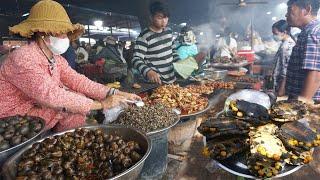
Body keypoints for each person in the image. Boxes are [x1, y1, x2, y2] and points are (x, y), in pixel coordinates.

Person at [0, 0, 140, 132]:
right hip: (13, 122)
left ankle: (65, 141)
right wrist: (102, 104)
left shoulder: (55, 58)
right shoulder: (23, 57)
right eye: (61, 32)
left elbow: (78, 81)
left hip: (37, 111)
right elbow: (52, 96)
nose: (66, 37)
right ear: (43, 33)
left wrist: (116, 93)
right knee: (73, 104)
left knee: (76, 99)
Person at [132, 1, 180, 84]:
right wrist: (148, 72)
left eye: (166, 17)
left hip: (172, 79)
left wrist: (179, 62)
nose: (164, 21)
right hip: (156, 83)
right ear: (151, 17)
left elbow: (173, 51)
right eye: (160, 18)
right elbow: (136, 59)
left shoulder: (169, 31)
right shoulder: (145, 36)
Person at [285, 0, 320, 103]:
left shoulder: (312, 33)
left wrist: (300, 107)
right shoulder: (308, 31)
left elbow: (315, 75)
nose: (286, 14)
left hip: (308, 104)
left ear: (307, 10)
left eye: (290, 10)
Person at [272, 20, 296, 96]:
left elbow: (285, 70)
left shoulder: (286, 47)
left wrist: (281, 89)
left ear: (284, 32)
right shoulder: (286, 43)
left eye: (275, 33)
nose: (274, 36)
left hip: (283, 85)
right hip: (282, 83)